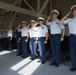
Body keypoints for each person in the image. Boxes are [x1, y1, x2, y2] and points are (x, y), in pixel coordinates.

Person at [60, 5, 76, 71]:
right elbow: (61, 22)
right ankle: (74, 66)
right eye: (73, 10)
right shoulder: (69, 20)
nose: (75, 11)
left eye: (75, 10)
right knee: (72, 52)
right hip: (71, 37)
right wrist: (67, 15)